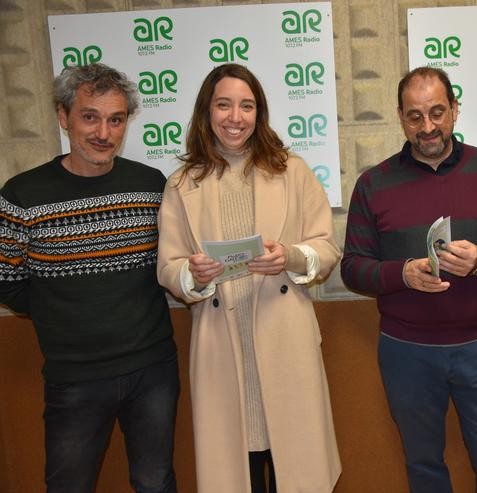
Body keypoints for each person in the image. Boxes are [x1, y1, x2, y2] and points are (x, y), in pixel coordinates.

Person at [341, 66, 477, 493]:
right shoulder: (373, 183)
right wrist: (403, 274)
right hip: (405, 350)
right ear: (400, 117)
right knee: (424, 466)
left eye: (437, 112)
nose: (427, 127)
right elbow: (353, 266)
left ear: (455, 110)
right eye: (415, 116)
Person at [156, 63, 341, 493]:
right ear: (207, 111)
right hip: (223, 348)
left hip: (284, 344)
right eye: (224, 105)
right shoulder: (182, 184)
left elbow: (327, 249)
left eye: (246, 106)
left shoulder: (291, 170)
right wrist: (193, 275)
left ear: (260, 113)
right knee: (235, 470)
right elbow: (168, 267)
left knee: (296, 469)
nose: (235, 117)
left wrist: (290, 256)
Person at [0, 63, 179, 492]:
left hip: (152, 369)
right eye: (90, 116)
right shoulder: (22, 195)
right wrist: (62, 310)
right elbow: (6, 280)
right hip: (74, 376)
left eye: (115, 119)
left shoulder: (150, 185)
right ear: (63, 117)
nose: (103, 132)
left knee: (155, 482)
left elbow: (169, 262)